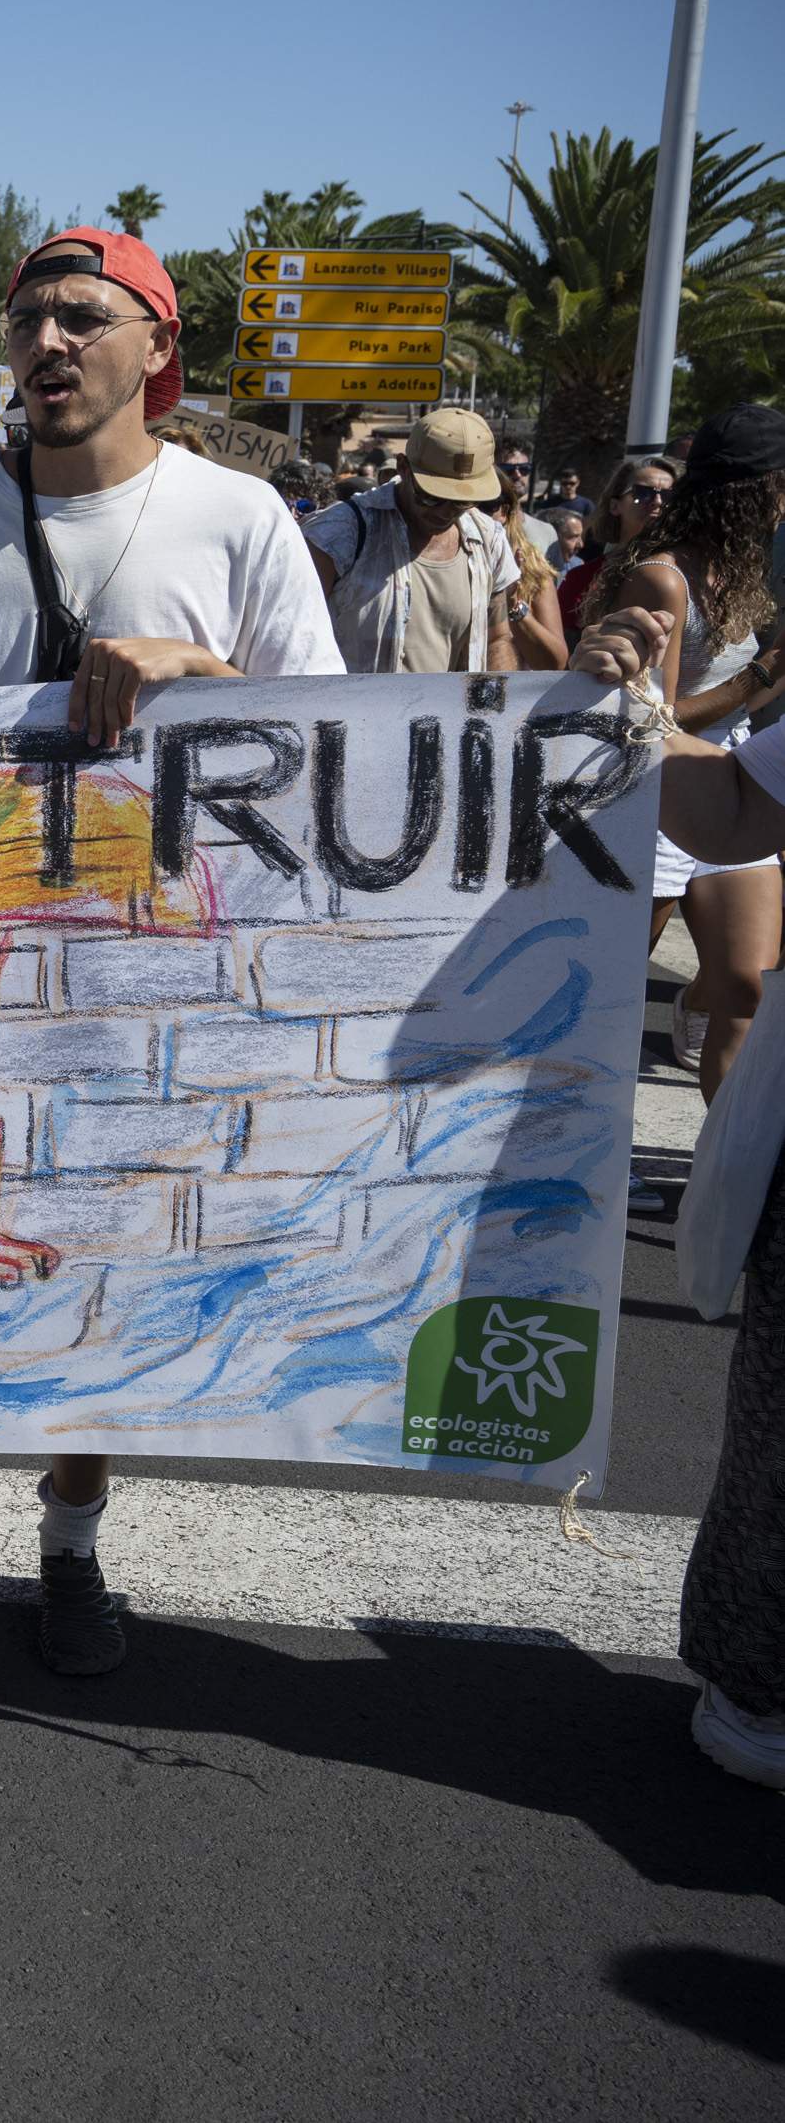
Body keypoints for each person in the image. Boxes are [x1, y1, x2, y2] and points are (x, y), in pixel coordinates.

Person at [0, 225, 343, 1765]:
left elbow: (343, 746)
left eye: (83, 316)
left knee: (102, 1289)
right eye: (28, 320)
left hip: (150, 987)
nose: (49, 343)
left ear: (157, 346)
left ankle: (71, 1546)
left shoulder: (239, 519)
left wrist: (198, 672)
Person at [568, 401, 785, 1789]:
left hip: (716, 802)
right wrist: (645, 707)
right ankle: (755, 1681)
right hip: (666, 811)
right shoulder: (664, 576)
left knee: (740, 984)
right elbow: (728, 793)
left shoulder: (753, 583)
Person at [574, 426, 782, 1098]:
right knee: (614, 989)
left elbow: (747, 699)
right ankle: (586, 1132)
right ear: (751, 493)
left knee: (746, 986)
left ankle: (725, 1156)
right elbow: (647, 722)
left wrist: (768, 679)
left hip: (742, 777)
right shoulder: (663, 578)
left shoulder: (738, 576)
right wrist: (758, 675)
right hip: (662, 791)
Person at [301, 409, 524, 676]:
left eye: (462, 502)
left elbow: (497, 639)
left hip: (450, 704)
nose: (446, 512)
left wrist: (497, 696)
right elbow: (295, 635)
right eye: (431, 496)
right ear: (403, 468)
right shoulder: (341, 533)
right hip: (348, 703)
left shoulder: (488, 539)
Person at [561, 453, 676, 633]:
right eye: (643, 493)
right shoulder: (581, 579)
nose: (658, 502)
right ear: (615, 506)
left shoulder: (688, 573)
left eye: (669, 496)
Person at [485, 437, 570, 669]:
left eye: (524, 469)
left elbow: (555, 661)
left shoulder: (537, 552)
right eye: (508, 469)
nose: (517, 475)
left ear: (505, 510)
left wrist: (515, 606)